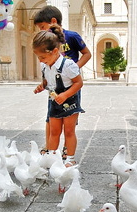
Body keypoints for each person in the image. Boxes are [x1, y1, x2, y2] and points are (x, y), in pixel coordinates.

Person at [33, 5, 91, 158]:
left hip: (69, 86)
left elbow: (86, 54)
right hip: (54, 89)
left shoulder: (72, 36)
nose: (42, 31)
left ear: (53, 21)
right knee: (52, 124)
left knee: (69, 127)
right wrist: (42, 85)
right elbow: (46, 77)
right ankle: (51, 152)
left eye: (42, 27)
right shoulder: (45, 57)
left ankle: (68, 152)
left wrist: (72, 69)